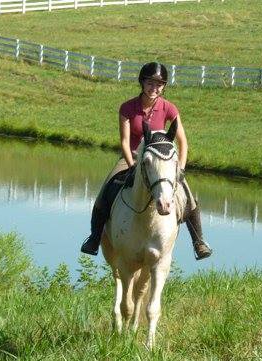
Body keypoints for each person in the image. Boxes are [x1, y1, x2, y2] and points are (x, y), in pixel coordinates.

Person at [80, 62, 212, 260]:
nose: (154, 88)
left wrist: (180, 169)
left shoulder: (168, 108)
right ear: (142, 82)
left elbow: (182, 142)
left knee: (188, 196)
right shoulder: (128, 107)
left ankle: (198, 241)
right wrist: (132, 165)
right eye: (150, 83)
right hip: (133, 156)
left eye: (159, 85)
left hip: (162, 160)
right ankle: (94, 237)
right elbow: (124, 142)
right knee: (105, 190)